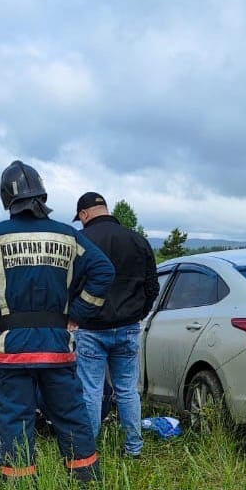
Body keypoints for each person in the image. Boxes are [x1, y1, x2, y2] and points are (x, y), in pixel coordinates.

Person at [0, 161, 115, 483]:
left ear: (6, 198)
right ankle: (86, 480)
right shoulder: (68, 236)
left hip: (11, 349)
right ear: (41, 194)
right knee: (70, 415)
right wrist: (79, 313)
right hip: (57, 346)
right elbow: (104, 270)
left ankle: (20, 483)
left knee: (15, 418)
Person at [72, 192, 159, 458]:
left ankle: (88, 450)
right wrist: (139, 313)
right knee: (127, 390)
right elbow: (152, 286)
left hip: (90, 328)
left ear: (84, 214)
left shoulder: (81, 241)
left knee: (91, 391)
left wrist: (75, 316)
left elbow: (70, 285)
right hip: (129, 326)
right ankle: (134, 447)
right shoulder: (137, 240)